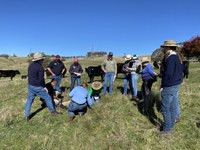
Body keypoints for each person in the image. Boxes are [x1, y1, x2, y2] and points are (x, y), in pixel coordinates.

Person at [157, 40, 183, 138]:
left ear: (168, 48)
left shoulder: (171, 58)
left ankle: (167, 130)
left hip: (169, 85)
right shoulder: (177, 57)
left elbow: (168, 73)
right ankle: (170, 125)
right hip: (176, 84)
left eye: (164, 48)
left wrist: (163, 85)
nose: (163, 49)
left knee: (165, 108)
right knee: (172, 106)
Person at [25, 53, 61, 121]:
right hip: (38, 87)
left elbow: (29, 76)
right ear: (40, 59)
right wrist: (44, 87)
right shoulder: (40, 67)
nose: (43, 60)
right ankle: (53, 112)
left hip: (30, 86)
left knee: (29, 100)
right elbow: (41, 79)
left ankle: (27, 115)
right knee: (48, 98)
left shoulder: (30, 65)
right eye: (42, 59)